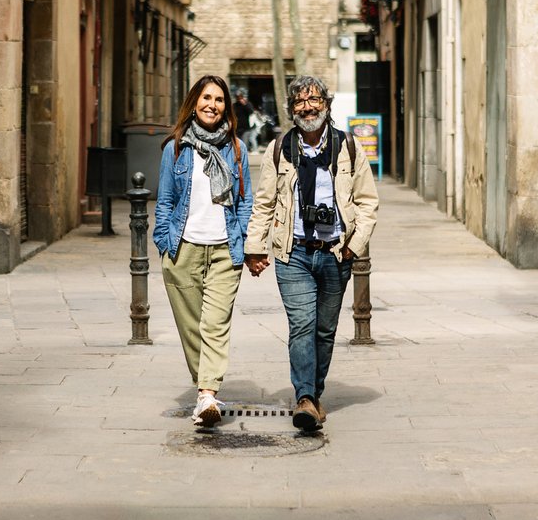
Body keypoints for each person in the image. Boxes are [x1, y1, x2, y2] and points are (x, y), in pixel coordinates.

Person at [244, 75, 379, 431]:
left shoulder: (347, 147)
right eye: (300, 102)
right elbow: (264, 203)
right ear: (291, 110)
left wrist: (354, 244)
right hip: (294, 254)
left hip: (336, 252)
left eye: (314, 99)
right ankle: (304, 397)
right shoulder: (279, 150)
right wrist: (255, 247)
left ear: (327, 105)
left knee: (324, 330)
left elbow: (367, 202)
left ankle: (314, 394)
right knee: (302, 325)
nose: (307, 107)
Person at [153, 75, 253, 428]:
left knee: (215, 324)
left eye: (220, 100)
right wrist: (164, 243)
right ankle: (205, 391)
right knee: (191, 327)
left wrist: (241, 238)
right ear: (194, 102)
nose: (213, 105)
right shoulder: (175, 148)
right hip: (184, 249)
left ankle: (208, 393)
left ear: (228, 106)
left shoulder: (236, 148)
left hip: (225, 250)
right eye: (207, 98)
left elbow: (246, 200)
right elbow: (164, 200)